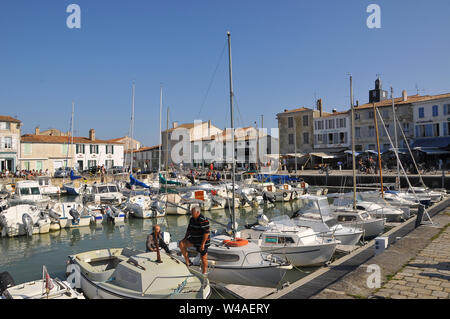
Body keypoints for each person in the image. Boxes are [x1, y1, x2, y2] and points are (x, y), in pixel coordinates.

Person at [179, 206, 210, 274]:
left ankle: (204, 273)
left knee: (203, 258)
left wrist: (203, 244)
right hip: (194, 239)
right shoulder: (192, 219)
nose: (191, 213)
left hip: (202, 241)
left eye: (192, 212)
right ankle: (188, 262)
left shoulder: (203, 220)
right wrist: (185, 238)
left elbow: (206, 233)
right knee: (181, 243)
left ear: (198, 212)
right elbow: (189, 230)